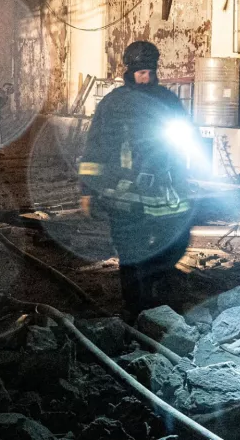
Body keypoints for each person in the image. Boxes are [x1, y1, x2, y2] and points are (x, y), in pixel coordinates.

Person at [78, 41, 195, 314]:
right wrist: (88, 190)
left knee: (178, 240)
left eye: (151, 71)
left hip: (165, 193)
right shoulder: (114, 104)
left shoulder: (168, 100)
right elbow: (95, 148)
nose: (147, 77)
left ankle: (156, 289)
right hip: (125, 195)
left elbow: (185, 138)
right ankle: (134, 312)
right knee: (130, 254)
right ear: (129, 71)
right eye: (141, 71)